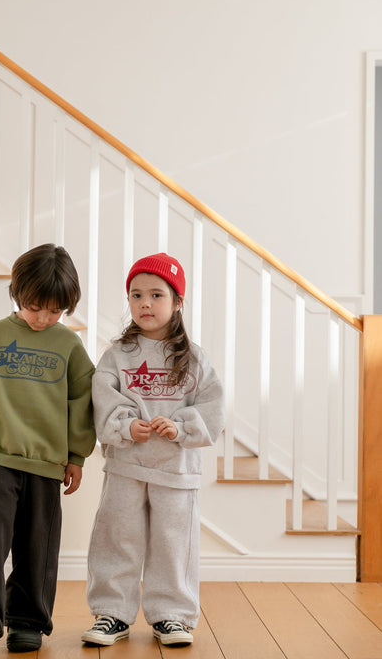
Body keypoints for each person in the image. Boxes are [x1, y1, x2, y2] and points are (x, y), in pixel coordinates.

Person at [0, 243, 96, 653]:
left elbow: (82, 401)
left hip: (48, 462)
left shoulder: (69, 346)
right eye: (34, 307)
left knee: (38, 545)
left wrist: (77, 456)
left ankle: (28, 620)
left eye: (55, 311)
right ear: (16, 294)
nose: (43, 318)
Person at [81, 252, 225, 647]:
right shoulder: (116, 355)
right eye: (136, 295)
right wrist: (126, 425)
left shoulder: (195, 358)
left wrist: (180, 427)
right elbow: (103, 400)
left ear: (177, 302)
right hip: (126, 468)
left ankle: (172, 617)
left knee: (174, 544)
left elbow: (212, 408)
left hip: (177, 471)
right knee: (116, 539)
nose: (145, 303)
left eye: (156, 295)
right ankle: (112, 613)